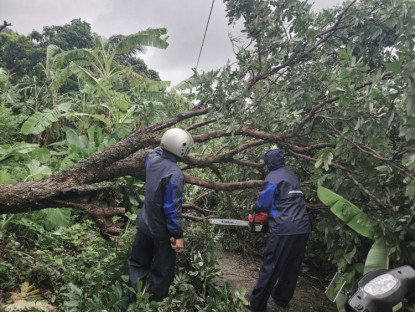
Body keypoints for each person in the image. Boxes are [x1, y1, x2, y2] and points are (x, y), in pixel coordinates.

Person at [126, 128, 194, 306]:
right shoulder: (175, 174)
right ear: (181, 148)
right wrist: (177, 235)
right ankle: (154, 305)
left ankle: (129, 304)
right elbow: (172, 209)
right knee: (162, 273)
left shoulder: (152, 160)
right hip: (162, 232)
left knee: (137, 265)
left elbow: (156, 151)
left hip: (144, 224)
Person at [248, 148, 311, 312]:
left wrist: (254, 206)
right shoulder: (291, 175)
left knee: (271, 266)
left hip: (284, 228)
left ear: (268, 164)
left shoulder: (272, 178)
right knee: (291, 267)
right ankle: (281, 299)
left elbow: (264, 204)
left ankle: (256, 304)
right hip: (302, 228)